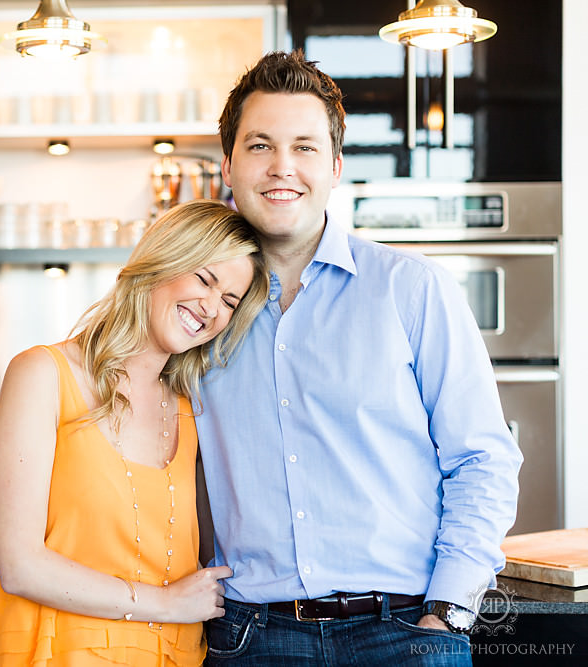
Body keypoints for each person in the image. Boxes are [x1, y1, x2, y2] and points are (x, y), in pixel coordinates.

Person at [195, 51, 523, 665]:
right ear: (229, 166)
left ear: (336, 166)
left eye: (306, 147)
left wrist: (448, 612)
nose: (282, 167)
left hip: (404, 631)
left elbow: (482, 458)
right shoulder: (197, 309)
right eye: (260, 145)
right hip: (249, 638)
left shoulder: (412, 289)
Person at [0, 199, 270, 666]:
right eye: (204, 279)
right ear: (162, 261)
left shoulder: (190, 408)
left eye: (230, 301)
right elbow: (19, 565)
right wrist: (167, 604)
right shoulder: (43, 374)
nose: (212, 308)